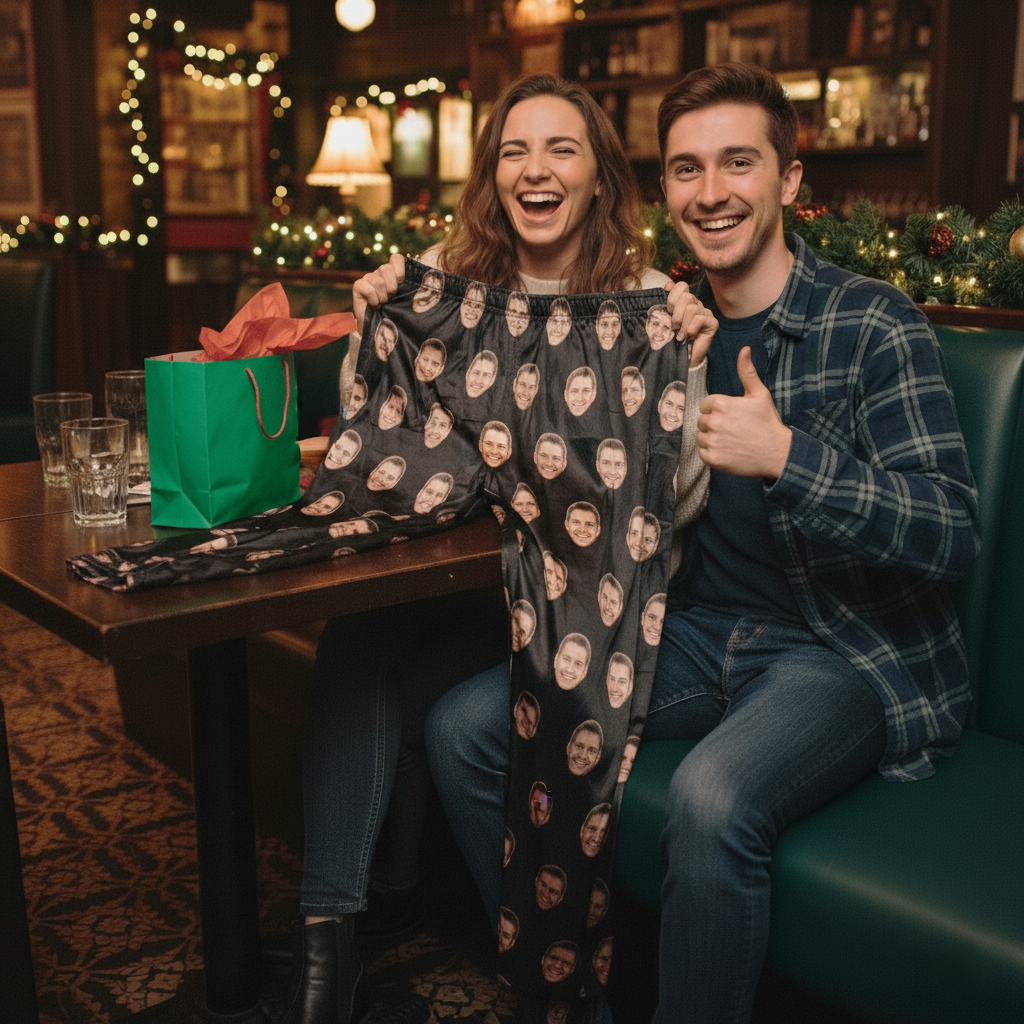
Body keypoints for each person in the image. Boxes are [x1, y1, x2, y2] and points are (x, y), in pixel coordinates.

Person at [426, 62, 980, 1024]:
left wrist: (789, 458)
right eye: (687, 169)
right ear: (665, 189)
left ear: (790, 179)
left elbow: (951, 532)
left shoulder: (871, 321)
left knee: (709, 798)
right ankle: (570, 1005)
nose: (711, 191)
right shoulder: (653, 320)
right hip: (685, 634)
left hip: (836, 654)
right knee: (464, 729)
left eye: (738, 163)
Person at [280, 72, 716, 1024]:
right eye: (515, 150)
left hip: (585, 617)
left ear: (598, 176)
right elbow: (381, 431)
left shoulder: (648, 303)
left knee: (419, 694)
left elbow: (675, 506)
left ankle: (453, 935)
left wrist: (680, 376)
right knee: (359, 643)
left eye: (561, 148)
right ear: (491, 175)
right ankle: (329, 938)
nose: (536, 169)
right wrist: (375, 322)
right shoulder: (449, 279)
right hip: (471, 598)